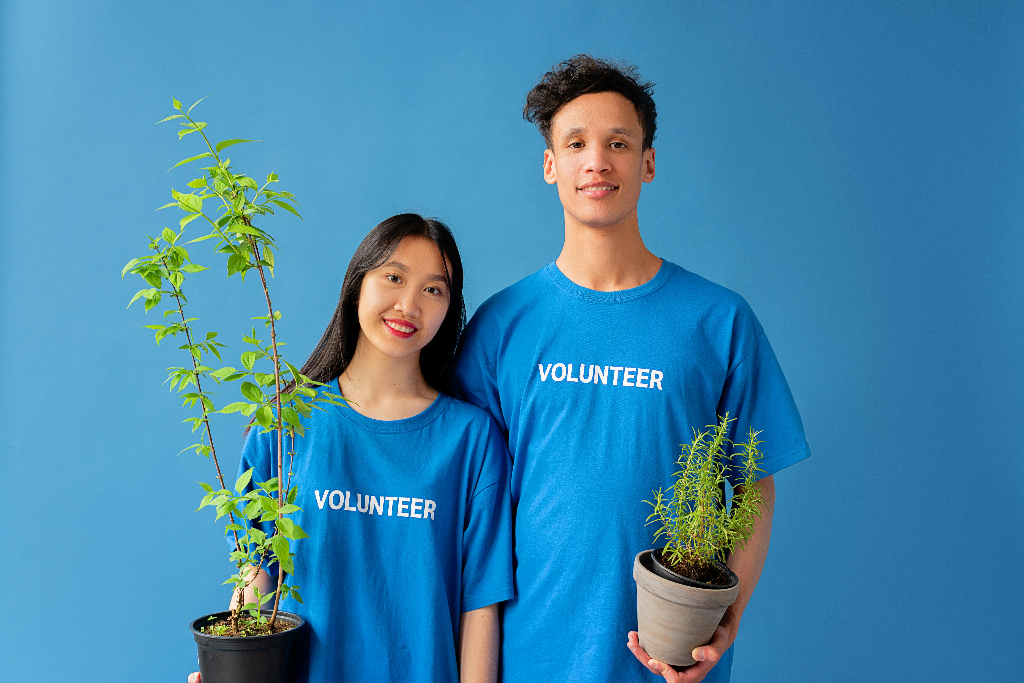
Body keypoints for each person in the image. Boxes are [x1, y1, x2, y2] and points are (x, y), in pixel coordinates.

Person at [451, 55, 811, 683]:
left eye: (619, 143)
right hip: (530, 658)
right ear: (550, 165)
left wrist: (724, 623)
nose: (598, 161)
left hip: (670, 665)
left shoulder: (719, 320)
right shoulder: (501, 325)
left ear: (647, 162)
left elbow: (754, 487)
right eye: (576, 143)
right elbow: (463, 507)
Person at [188, 214, 514, 683]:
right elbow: (257, 573)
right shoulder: (285, 424)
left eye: (433, 289)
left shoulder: (472, 439)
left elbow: (480, 605)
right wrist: (229, 667)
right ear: (358, 284)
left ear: (450, 308)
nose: (409, 304)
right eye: (394, 277)